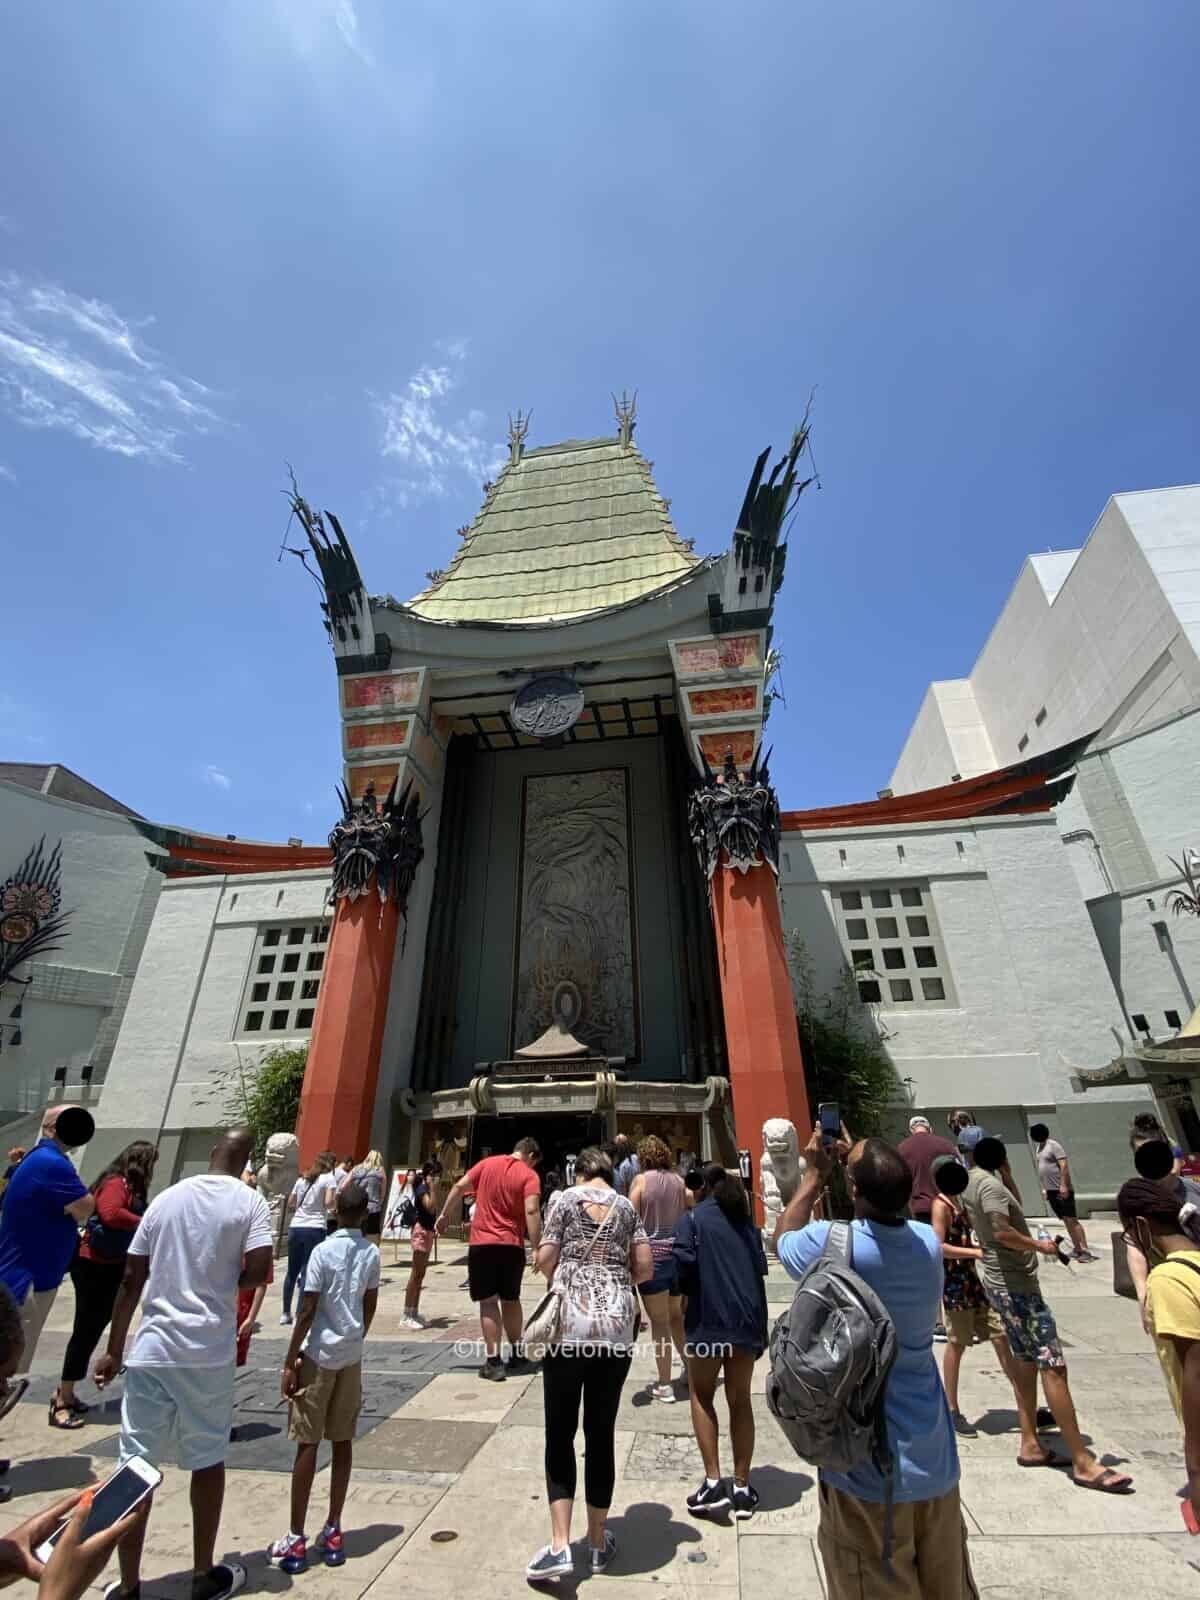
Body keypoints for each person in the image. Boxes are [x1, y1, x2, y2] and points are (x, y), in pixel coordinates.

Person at [775, 1128, 974, 1600]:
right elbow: (887, 1184)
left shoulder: (831, 1243)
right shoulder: (927, 1243)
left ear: (854, 1189)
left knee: (869, 1580)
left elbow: (783, 1236)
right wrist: (860, 1159)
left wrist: (813, 1178)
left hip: (865, 1466)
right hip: (934, 1461)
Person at [94, 1127, 273, 1600]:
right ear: (247, 1161)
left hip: (151, 1350)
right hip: (206, 1353)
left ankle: (129, 1584)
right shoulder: (251, 1203)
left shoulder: (165, 1200)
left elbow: (132, 1278)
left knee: (133, 1467)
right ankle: (200, 1575)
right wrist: (217, 1276)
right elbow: (258, 1271)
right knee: (207, 1461)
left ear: (212, 1153)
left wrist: (114, 1349)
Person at [961, 1136, 1130, 1492]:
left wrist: (1006, 1176)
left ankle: (1030, 1441)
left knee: (1024, 1362)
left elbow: (1008, 1212)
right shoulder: (989, 1185)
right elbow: (1001, 1230)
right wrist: (1040, 1245)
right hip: (1016, 1285)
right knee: (1052, 1365)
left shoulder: (973, 1181)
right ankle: (1083, 1460)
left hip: (999, 1282)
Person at [525, 1146, 652, 1582]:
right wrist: (614, 1282)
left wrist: (569, 1275)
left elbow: (543, 1259)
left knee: (559, 1432)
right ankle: (598, 1542)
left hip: (569, 1330)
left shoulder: (562, 1199)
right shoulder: (626, 1207)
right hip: (616, 1331)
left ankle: (561, 1545)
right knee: (601, 1433)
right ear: (610, 1174)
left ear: (578, 1172)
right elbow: (646, 1268)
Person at [269, 1181, 381, 1573]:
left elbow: (307, 1307)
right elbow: (370, 1303)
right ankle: (334, 1527)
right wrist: (356, 1336)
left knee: (307, 1442)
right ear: (365, 1214)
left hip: (318, 1353)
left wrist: (290, 1359)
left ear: (336, 1213)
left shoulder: (322, 1251)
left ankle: (296, 1536)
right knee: (343, 1439)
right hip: (350, 1354)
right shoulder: (371, 1253)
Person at [674, 1161, 768, 1521]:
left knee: (702, 1393)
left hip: (708, 1321)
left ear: (701, 1187)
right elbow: (758, 1269)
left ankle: (713, 1480)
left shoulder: (693, 1220)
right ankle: (742, 1486)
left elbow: (682, 1268)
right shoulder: (747, 1224)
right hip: (745, 1323)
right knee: (740, 1400)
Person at [54, 1140, 157, 1430]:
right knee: (86, 1329)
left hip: (109, 1265)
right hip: (94, 1265)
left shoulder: (126, 1186)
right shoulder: (116, 1184)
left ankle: (66, 1391)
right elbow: (110, 1214)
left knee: (94, 1325)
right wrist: (145, 1220)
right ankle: (62, 1398)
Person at [931, 1156, 1034, 1442]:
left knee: (1001, 1337)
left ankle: (1026, 1403)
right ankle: (951, 1409)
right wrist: (975, 1253)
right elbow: (939, 1246)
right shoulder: (941, 1206)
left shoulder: (962, 1202)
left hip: (976, 1282)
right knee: (956, 1344)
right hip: (955, 1283)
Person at [1117, 1176, 1200, 1524]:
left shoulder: (1167, 1280)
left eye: (1129, 1235)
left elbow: (1195, 1371)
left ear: (1141, 1226)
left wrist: (1194, 1464)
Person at [435, 1136, 542, 1380]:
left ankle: (493, 1363)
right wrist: (537, 1246)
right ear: (531, 1156)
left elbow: (459, 1187)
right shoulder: (529, 1176)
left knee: (488, 1302)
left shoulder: (486, 1165)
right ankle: (517, 1355)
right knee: (511, 1299)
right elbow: (532, 1210)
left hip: (482, 1244)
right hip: (511, 1246)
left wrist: (444, 1215)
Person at [0, 1105, 96, 1375]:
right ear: (50, 1127)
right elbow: (87, 1207)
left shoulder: (42, 1159)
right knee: (11, 1368)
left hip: (28, 1277)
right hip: (28, 1284)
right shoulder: (50, 1163)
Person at [629, 1136, 687, 1402]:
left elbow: (629, 1216)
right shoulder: (679, 1181)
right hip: (677, 1257)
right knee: (677, 1318)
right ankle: (691, 1370)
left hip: (651, 1259)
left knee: (659, 1323)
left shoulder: (641, 1181)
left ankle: (665, 1384)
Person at [1127, 1135, 1200, 1332]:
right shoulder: (1137, 1198)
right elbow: (1135, 1245)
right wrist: (1142, 1295)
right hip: (1169, 1288)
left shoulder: (1194, 1190)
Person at [280, 1155, 337, 1325]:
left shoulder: (302, 1179)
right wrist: (335, 1203)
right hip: (315, 1227)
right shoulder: (329, 1179)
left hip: (296, 1226)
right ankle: (300, 1312)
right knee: (307, 1270)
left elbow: (291, 1203)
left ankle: (285, 1312)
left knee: (292, 1271)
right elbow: (328, 1203)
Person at [1029, 1123, 1096, 1262]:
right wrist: (1044, 1188)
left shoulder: (1053, 1145)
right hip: (1051, 1190)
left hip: (1062, 1189)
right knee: (1065, 1219)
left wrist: (1064, 1185)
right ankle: (1077, 1249)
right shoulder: (1038, 1148)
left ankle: (1085, 1250)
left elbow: (1064, 1166)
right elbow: (1041, 1171)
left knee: (1072, 1219)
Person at [948, 1109, 1021, 1203]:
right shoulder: (980, 1135)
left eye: (951, 1124)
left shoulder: (965, 1138)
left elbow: (1004, 1172)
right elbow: (1005, 1172)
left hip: (979, 1194)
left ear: (955, 1123)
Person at [401, 1160, 440, 1329]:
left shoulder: (426, 1188)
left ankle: (414, 1311)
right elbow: (430, 1207)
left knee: (421, 1274)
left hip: (428, 1231)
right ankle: (407, 1314)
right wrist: (432, 1187)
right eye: (435, 1175)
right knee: (416, 1274)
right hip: (421, 1232)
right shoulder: (423, 1189)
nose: (437, 1178)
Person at [898, 1117, 958, 1225]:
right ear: (930, 1129)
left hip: (919, 1208)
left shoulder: (901, 1148)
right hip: (946, 1206)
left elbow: (900, 1182)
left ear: (912, 1130)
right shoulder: (946, 1144)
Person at [346, 1151, 386, 1237]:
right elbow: (383, 1192)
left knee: (354, 1232)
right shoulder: (380, 1170)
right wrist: (380, 1203)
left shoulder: (356, 1168)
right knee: (372, 1235)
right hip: (373, 1207)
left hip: (357, 1206)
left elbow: (344, 1186)